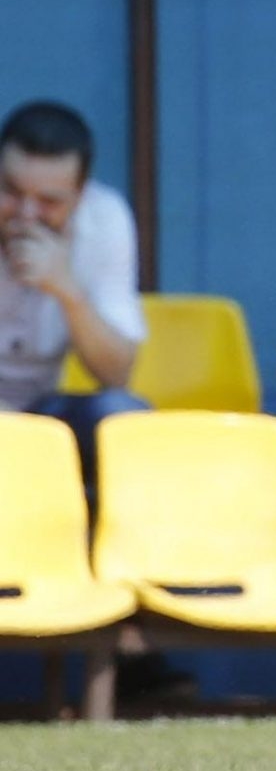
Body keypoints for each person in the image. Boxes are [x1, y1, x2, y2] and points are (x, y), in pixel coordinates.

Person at [0, 100, 147, 495]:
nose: (26, 214)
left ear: (80, 196)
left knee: (122, 416)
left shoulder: (104, 220)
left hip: (40, 411)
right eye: (11, 192)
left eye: (48, 201)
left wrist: (67, 289)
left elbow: (117, 375)